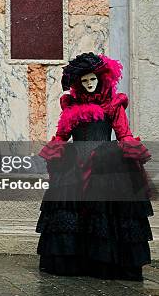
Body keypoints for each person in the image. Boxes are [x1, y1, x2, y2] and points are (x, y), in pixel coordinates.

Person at [37, 52, 153, 281]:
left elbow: (123, 132)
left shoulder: (113, 104)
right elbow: (62, 134)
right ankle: (74, 262)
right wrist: (55, 151)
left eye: (93, 80)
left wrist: (131, 151)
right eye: (85, 81)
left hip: (105, 163)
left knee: (106, 212)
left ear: (101, 79)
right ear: (78, 83)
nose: (89, 84)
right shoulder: (70, 108)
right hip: (75, 164)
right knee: (70, 212)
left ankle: (106, 264)